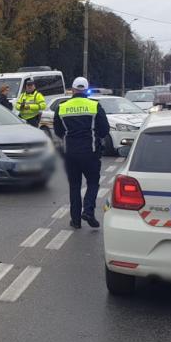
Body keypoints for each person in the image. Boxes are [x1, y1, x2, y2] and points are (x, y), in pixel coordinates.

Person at [53, 77, 110, 229]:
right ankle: (89, 211)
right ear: (86, 90)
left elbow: (58, 131)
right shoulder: (94, 105)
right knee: (92, 183)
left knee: (74, 186)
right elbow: (104, 129)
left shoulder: (62, 107)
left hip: (70, 153)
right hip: (90, 153)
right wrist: (96, 137)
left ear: (72, 90)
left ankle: (76, 220)